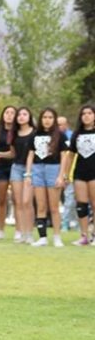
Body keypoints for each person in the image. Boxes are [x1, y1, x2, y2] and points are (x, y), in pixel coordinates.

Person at [25, 108, 69, 247]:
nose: (47, 120)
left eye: (50, 117)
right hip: (38, 169)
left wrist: (61, 175)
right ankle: (42, 237)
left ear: (54, 119)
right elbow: (31, 155)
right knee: (41, 205)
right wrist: (28, 174)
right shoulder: (35, 134)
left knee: (54, 206)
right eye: (44, 117)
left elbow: (64, 156)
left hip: (53, 169)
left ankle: (57, 236)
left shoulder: (60, 136)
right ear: (41, 119)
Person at [67, 104, 95, 246]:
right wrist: (65, 174)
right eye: (84, 113)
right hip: (80, 172)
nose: (86, 116)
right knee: (81, 205)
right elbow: (70, 155)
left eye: (89, 113)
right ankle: (84, 235)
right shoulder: (77, 134)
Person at [8, 107, 36, 244]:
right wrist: (1, 154)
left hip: (30, 169)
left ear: (29, 117)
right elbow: (13, 153)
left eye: (25, 114)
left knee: (27, 202)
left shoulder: (35, 133)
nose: (21, 117)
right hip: (16, 168)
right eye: (19, 114)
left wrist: (30, 172)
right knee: (18, 202)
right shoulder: (14, 134)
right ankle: (22, 232)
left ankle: (30, 233)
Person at [0, 106, 17, 240]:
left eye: (12, 113)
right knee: (1, 200)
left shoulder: (18, 131)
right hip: (0, 167)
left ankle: (19, 230)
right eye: (7, 112)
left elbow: (15, 153)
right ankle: (0, 230)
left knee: (17, 199)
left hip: (15, 166)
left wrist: (1, 154)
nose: (9, 115)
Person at [58, 116, 77, 231]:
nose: (59, 127)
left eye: (61, 124)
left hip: (79, 172)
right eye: (57, 124)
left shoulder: (74, 136)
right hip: (65, 173)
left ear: (66, 124)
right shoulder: (55, 137)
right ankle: (65, 223)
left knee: (81, 202)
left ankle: (77, 224)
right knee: (68, 200)